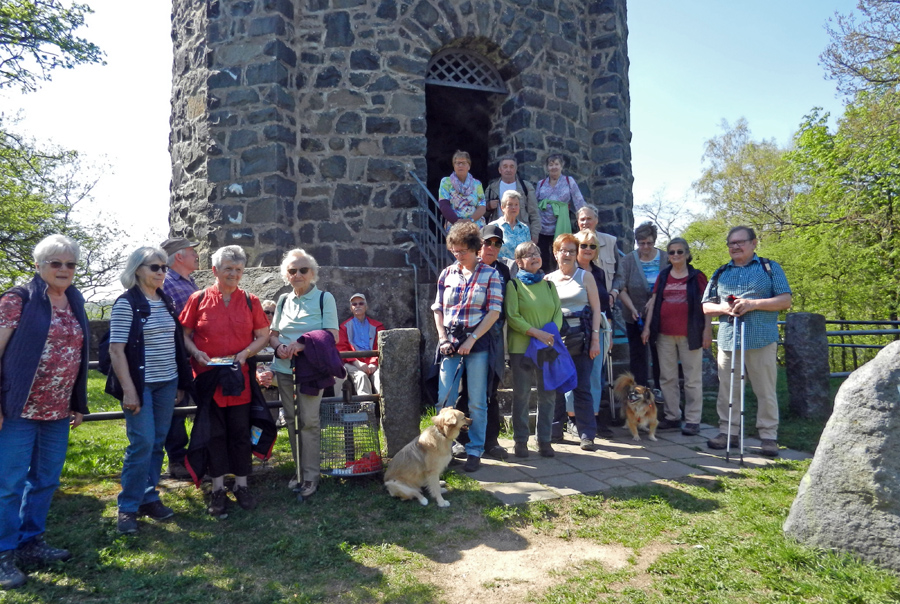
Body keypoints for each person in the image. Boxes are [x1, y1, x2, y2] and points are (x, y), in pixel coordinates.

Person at [0, 235, 89, 590]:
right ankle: (3, 551)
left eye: (70, 264)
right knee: (8, 483)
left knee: (46, 480)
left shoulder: (75, 299)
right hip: (18, 408)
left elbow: (78, 357)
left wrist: (78, 403)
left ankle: (31, 542)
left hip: (57, 411)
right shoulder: (17, 299)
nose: (64, 270)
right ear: (39, 266)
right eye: (56, 263)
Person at [107, 247, 194, 534]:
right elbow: (116, 350)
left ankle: (148, 496)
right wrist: (129, 391)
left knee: (157, 441)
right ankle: (128, 507)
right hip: (140, 385)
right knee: (141, 442)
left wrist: (180, 382)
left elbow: (176, 344)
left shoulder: (165, 300)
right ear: (137, 269)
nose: (160, 272)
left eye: (164, 268)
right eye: (154, 267)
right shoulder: (126, 303)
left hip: (166, 383)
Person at [180, 245, 270, 517]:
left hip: (239, 379)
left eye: (238, 269)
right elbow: (184, 334)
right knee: (214, 435)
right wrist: (195, 351)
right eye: (228, 268)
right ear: (215, 270)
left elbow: (263, 335)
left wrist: (245, 354)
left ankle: (241, 485)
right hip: (208, 379)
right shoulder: (198, 299)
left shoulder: (251, 301)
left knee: (241, 434)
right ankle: (217, 488)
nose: (233, 274)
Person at [702, 226, 792, 457]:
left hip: (761, 337)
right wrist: (724, 307)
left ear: (754, 243)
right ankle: (728, 432)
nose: (735, 247)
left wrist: (753, 304)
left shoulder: (769, 268)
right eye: (731, 243)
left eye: (740, 242)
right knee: (728, 389)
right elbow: (705, 306)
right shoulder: (721, 272)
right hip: (729, 339)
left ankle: (768, 435)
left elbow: (784, 301)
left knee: (765, 389)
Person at [268, 249, 339, 498]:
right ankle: (298, 471)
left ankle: (310, 476)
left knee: (308, 421)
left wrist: (302, 344)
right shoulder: (283, 300)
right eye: (292, 270)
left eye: (303, 270)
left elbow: (332, 334)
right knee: (290, 419)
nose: (297, 274)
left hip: (310, 370)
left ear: (312, 273)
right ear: (286, 275)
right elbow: (273, 333)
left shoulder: (324, 298)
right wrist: (279, 347)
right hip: (284, 368)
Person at [432, 222, 502, 473]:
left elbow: (494, 312)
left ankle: (474, 450)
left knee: (477, 402)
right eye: (454, 251)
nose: (458, 256)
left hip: (479, 343)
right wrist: (442, 338)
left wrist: (472, 339)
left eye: (463, 251)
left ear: (475, 248)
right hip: (450, 341)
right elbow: (438, 309)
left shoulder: (491, 275)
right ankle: (444, 449)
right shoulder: (446, 274)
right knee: (445, 398)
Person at [640, 238, 712, 436]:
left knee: (692, 379)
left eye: (680, 252)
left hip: (691, 334)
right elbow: (654, 302)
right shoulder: (663, 276)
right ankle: (672, 416)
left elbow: (707, 306)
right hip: (664, 334)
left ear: (687, 254)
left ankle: (693, 420)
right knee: (667, 378)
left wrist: (708, 331)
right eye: (672, 252)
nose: (676, 256)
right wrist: (647, 328)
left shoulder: (697, 277)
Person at [505, 241, 563, 458]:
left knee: (548, 395)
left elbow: (558, 312)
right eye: (528, 255)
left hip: (547, 347)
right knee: (521, 395)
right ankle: (520, 441)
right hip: (522, 349)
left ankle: (544, 440)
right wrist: (537, 334)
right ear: (519, 262)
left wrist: (550, 334)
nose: (534, 257)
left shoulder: (549, 286)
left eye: (536, 253)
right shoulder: (514, 286)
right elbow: (512, 317)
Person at [546, 233, 605, 451]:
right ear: (555, 253)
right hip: (558, 341)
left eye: (572, 250)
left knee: (582, 387)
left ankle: (587, 434)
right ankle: (554, 431)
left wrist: (595, 339)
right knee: (557, 387)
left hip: (583, 337)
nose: (568, 254)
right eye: (564, 250)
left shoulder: (585, 277)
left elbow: (597, 309)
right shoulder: (548, 280)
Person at [566, 229, 613, 436]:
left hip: (599, 329)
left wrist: (608, 332)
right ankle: (572, 419)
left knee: (595, 375)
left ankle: (591, 419)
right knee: (573, 375)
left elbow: (605, 305)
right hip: (574, 329)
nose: (587, 249)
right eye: (583, 245)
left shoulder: (599, 272)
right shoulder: (569, 272)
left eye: (592, 246)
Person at [160, 237, 200, 480]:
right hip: (178, 357)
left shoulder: (189, 282)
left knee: (199, 407)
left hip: (195, 357)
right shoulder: (166, 284)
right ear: (178, 257)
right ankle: (176, 460)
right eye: (192, 251)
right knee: (177, 410)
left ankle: (194, 457)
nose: (197, 255)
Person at [613, 221, 668, 388]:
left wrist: (656, 298)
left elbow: (670, 284)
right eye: (642, 243)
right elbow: (621, 288)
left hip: (661, 316)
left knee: (661, 355)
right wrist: (632, 309)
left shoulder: (665, 258)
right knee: (638, 357)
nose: (646, 246)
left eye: (649, 243)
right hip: (635, 317)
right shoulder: (628, 260)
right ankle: (640, 393)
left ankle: (661, 392)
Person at [535, 154, 586, 272]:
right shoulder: (541, 184)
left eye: (556, 164)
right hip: (542, 226)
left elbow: (579, 201)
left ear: (561, 166)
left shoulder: (569, 181)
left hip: (560, 224)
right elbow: (534, 203)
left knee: (559, 255)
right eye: (551, 165)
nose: (554, 167)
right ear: (547, 167)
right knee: (543, 257)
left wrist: (584, 219)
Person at [336, 293, 384, 396]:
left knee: (380, 378)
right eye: (354, 304)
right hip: (353, 362)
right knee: (361, 377)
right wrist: (357, 363)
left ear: (366, 307)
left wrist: (374, 363)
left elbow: (380, 346)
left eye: (361, 303)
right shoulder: (343, 327)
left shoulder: (377, 326)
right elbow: (342, 349)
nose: (357, 306)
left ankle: (385, 409)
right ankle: (367, 409)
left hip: (372, 362)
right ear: (351, 308)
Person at [484, 154, 540, 239]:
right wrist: (488, 206)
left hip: (521, 233)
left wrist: (534, 236)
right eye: (505, 166)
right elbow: (483, 213)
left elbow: (534, 214)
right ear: (500, 170)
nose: (508, 169)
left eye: (511, 166)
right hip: (498, 232)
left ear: (516, 169)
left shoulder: (526, 187)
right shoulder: (492, 188)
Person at [575, 205, 619, 300]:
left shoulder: (610, 242)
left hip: (606, 301)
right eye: (582, 219)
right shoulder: (570, 242)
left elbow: (620, 274)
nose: (585, 222)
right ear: (578, 222)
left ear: (596, 220)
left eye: (589, 219)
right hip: (579, 302)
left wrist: (614, 293)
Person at [437, 150, 486, 229]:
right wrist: (457, 222)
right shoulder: (446, 182)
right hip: (455, 223)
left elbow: (482, 206)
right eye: (457, 163)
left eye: (463, 163)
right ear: (454, 166)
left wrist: (470, 220)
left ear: (469, 166)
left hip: (475, 223)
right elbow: (444, 205)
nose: (460, 165)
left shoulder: (477, 184)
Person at [488, 190, 531, 261]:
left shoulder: (524, 228)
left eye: (516, 204)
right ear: (502, 207)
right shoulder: (494, 227)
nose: (513, 207)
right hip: (501, 268)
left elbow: (528, 251)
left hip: (520, 268)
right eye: (510, 204)